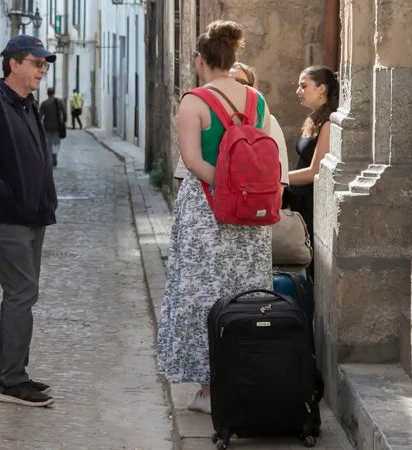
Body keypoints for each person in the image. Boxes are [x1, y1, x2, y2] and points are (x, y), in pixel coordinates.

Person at [157, 21, 275, 414]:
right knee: (246, 294)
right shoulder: (256, 99)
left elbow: (192, 161)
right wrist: (243, 192)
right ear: (233, 56)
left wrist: (226, 189)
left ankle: (210, 390)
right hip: (250, 215)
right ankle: (242, 380)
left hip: (207, 211)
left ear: (199, 60)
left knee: (203, 297)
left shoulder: (194, 102)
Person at [0, 35, 58, 408]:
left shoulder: (26, 104)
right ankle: (12, 381)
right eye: (37, 63)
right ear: (14, 64)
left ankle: (10, 371)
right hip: (7, 219)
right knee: (22, 292)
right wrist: (8, 196)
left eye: (44, 65)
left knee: (21, 293)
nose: (42, 70)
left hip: (32, 216)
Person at [173, 61, 289, 187]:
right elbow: (184, 170)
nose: (232, 85)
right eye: (228, 80)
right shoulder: (202, 117)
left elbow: (278, 178)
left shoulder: (268, 121)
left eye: (240, 82)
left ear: (253, 87)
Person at [285, 66, 339, 243]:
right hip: (298, 199)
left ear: (321, 89)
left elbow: (315, 170)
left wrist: (279, 177)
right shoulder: (314, 118)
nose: (298, 91)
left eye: (303, 86)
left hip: (311, 202)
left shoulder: (328, 123)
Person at [39, 87, 66, 167]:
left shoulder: (44, 103)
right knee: (56, 142)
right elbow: (64, 113)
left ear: (47, 93)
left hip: (47, 126)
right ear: (54, 93)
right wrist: (64, 122)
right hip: (57, 126)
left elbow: (40, 116)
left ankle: (50, 157)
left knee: (48, 143)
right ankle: (54, 155)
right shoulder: (59, 102)